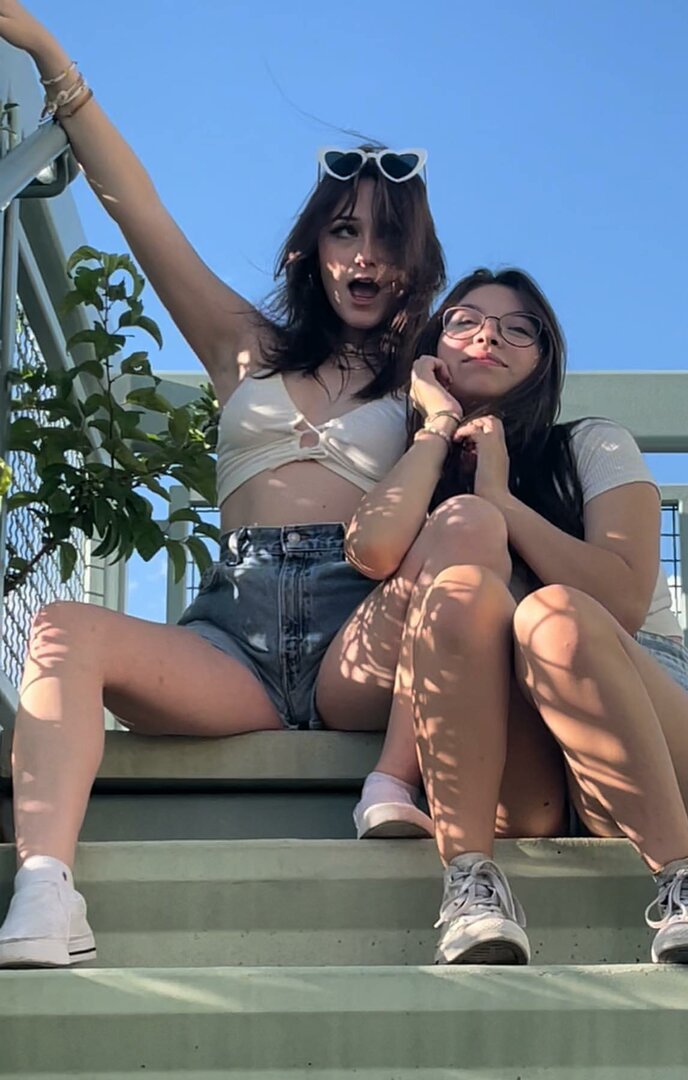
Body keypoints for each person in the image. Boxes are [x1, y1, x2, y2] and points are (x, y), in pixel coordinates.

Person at [0, 0, 444, 967]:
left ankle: (421, 798)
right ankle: (45, 889)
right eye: (344, 231)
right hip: (231, 643)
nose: (364, 255)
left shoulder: (426, 383)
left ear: (416, 262)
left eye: (387, 238)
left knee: (454, 575)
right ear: (310, 249)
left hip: (359, 639)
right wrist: (46, 52)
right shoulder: (243, 346)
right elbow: (140, 211)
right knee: (61, 629)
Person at [330, 267, 688, 967]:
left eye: (517, 327)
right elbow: (369, 550)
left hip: (648, 735)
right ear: (434, 347)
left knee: (553, 616)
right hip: (516, 773)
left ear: (544, 356)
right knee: (462, 591)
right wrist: (437, 428)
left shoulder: (592, 444)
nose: (488, 336)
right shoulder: (405, 457)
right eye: (465, 321)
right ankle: (471, 886)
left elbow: (622, 601)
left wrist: (502, 499)